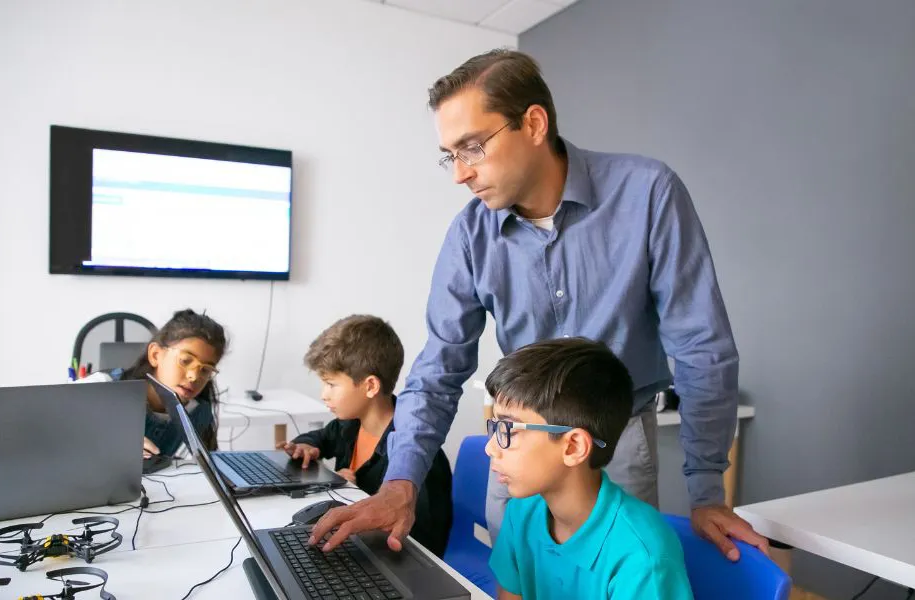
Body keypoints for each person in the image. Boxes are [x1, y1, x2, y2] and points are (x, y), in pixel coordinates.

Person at [310, 48, 767, 562]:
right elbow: (439, 367)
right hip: (516, 447)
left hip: (611, 448)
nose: (459, 174)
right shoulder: (470, 234)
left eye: (472, 147)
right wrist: (401, 482)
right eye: (450, 155)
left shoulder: (647, 193)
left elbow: (701, 346)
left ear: (532, 123)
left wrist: (707, 489)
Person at [486, 338, 692, 599]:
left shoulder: (643, 558)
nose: (490, 448)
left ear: (573, 447)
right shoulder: (521, 513)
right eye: (494, 427)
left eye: (508, 430)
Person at [281, 315, 453, 557]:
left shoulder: (423, 463)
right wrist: (306, 445)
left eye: (331, 384)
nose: (324, 395)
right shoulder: (348, 425)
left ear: (370, 386)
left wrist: (346, 491)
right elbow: (319, 438)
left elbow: (421, 545)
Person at [77, 308, 227, 458]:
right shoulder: (101, 387)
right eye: (185, 360)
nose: (194, 376)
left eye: (205, 370)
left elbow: (209, 467)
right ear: (155, 355)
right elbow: (56, 431)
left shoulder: (198, 410)